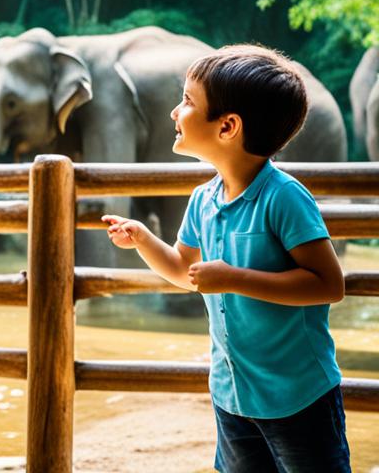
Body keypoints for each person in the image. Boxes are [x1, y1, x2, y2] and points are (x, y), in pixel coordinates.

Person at [103, 45, 349, 473]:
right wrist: (143, 240)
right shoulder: (203, 199)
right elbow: (186, 271)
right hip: (232, 394)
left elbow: (328, 284)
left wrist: (234, 278)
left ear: (228, 127)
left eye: (187, 101)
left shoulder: (284, 197)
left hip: (298, 396)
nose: (175, 113)